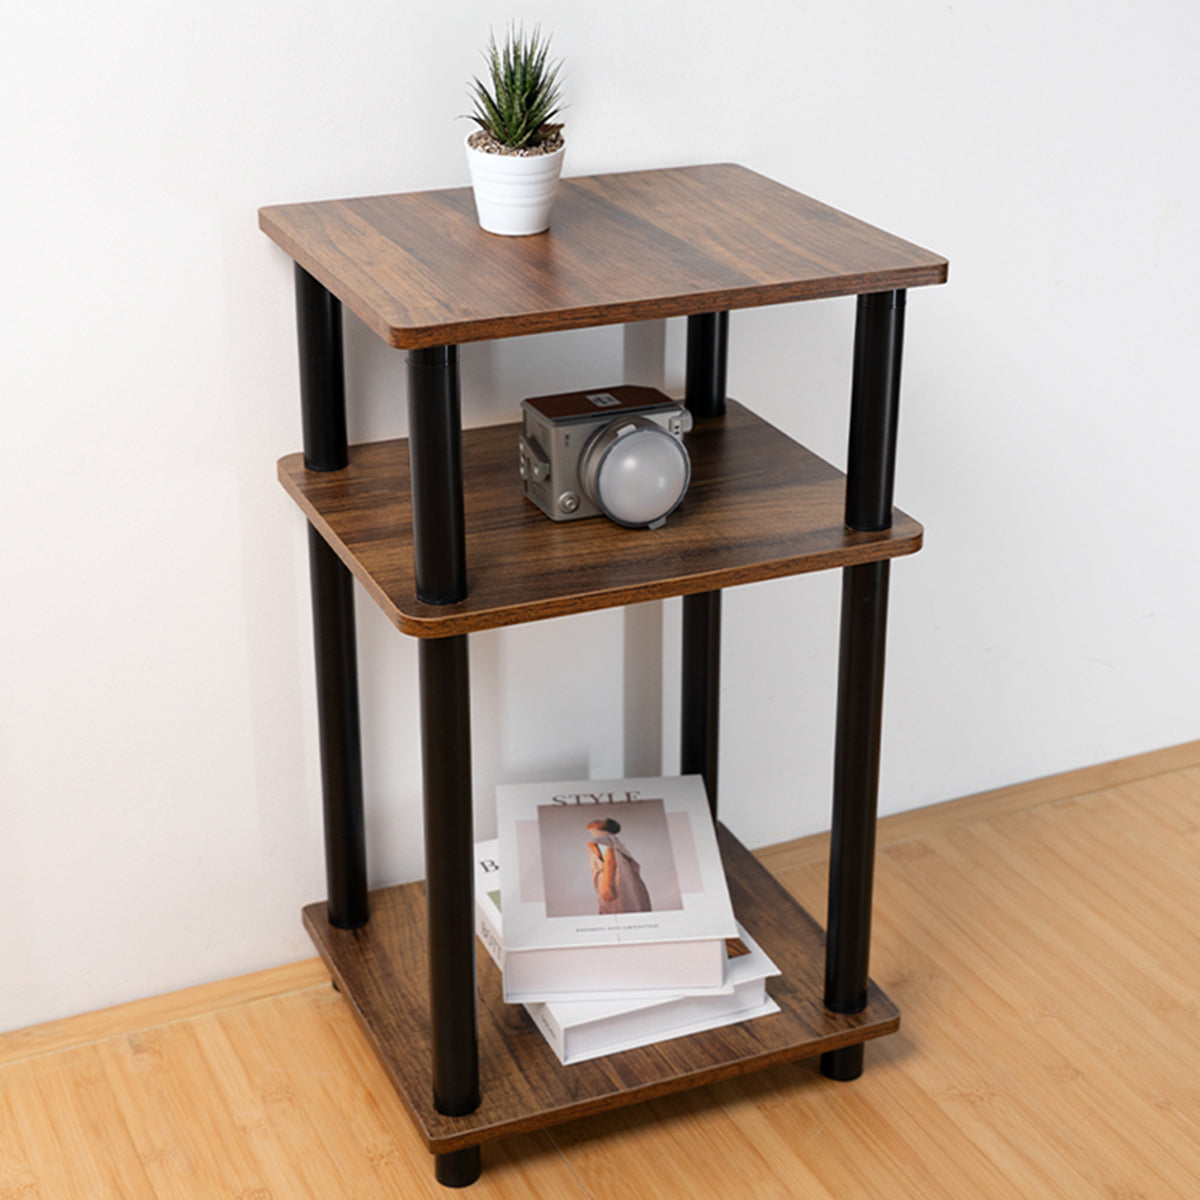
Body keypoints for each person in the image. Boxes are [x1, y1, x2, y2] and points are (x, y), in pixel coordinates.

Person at [586, 817, 652, 914]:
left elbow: (610, 861)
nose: (595, 820)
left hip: (613, 884)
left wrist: (607, 887)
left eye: (600, 821)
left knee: (615, 911)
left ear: (605, 827)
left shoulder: (602, 839)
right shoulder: (615, 841)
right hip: (624, 884)